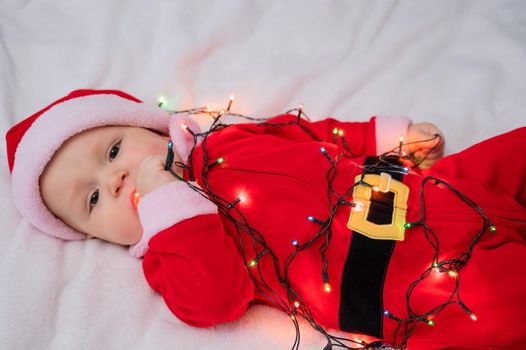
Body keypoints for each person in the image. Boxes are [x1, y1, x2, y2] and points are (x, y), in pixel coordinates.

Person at [6, 89, 526, 349]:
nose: (116, 179)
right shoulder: (171, 252)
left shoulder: (226, 137)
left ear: (150, 126)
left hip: (427, 192)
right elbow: (215, 298)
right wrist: (166, 201)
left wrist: (383, 139)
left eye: (114, 150)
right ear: (95, 237)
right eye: (93, 201)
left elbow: (309, 133)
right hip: (419, 287)